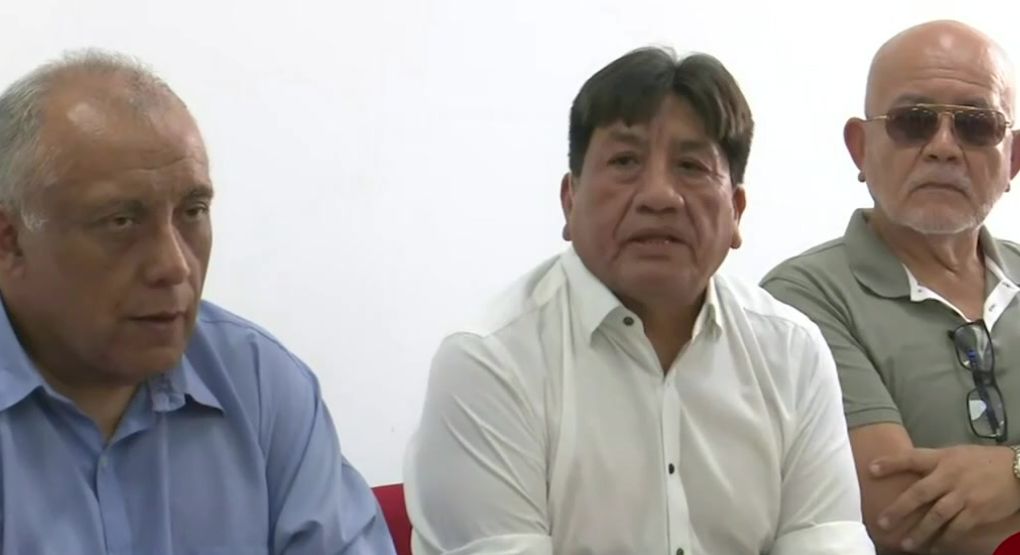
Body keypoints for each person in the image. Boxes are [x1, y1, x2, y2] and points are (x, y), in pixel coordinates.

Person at [404, 46, 874, 554]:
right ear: (569, 199)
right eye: (625, 162)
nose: (659, 196)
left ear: (736, 211)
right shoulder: (490, 361)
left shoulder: (792, 352)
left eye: (691, 166)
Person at [0, 49, 395, 554]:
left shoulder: (257, 382)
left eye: (193, 211)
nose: (174, 266)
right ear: (9, 241)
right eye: (121, 221)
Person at [761, 20, 1020, 555]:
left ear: (1013, 158)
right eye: (913, 122)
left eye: (976, 126)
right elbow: (902, 517)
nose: (944, 148)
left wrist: (1014, 471)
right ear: (860, 148)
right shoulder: (801, 300)